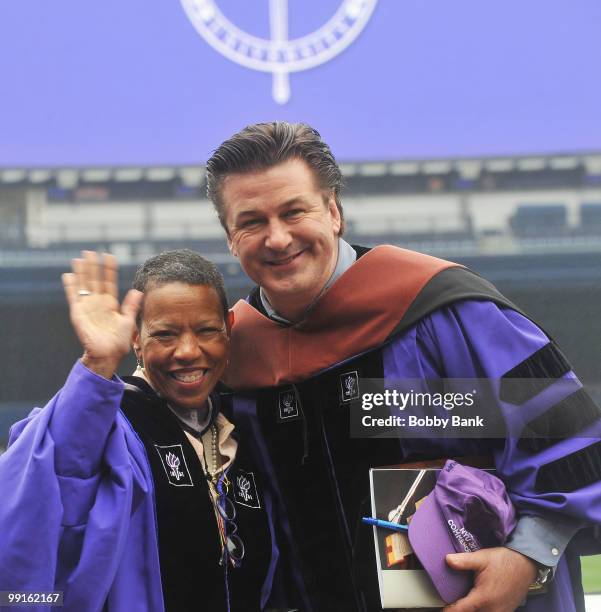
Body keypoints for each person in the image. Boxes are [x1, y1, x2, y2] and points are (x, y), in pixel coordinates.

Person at [205, 121, 601, 612]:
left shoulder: (446, 312)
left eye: (294, 211)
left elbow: (572, 446)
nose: (278, 238)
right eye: (252, 222)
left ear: (333, 212)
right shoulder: (233, 360)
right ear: (229, 237)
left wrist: (526, 558)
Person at [0, 249, 297, 611]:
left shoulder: (244, 432)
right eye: (165, 334)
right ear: (137, 339)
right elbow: (45, 495)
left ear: (228, 328)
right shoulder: (108, 425)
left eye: (206, 330)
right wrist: (97, 365)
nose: (188, 351)